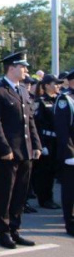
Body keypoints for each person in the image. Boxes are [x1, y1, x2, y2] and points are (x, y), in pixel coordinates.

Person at [0, 51, 42, 249]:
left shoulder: (23, 91)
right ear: (12, 68)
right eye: (23, 66)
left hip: (25, 150)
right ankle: (3, 232)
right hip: (9, 152)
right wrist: (4, 148)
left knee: (20, 192)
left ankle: (15, 230)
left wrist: (36, 144)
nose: (26, 70)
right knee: (5, 193)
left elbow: (30, 121)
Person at [32, 74, 63, 210]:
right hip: (46, 140)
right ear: (46, 85)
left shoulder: (59, 100)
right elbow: (37, 124)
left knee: (53, 170)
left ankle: (49, 197)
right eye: (54, 84)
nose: (57, 86)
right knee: (45, 172)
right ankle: (44, 199)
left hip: (57, 140)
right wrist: (41, 144)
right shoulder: (41, 101)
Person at [53, 83, 74, 237]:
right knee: (70, 190)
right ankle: (70, 223)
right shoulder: (65, 99)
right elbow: (62, 129)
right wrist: (69, 153)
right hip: (71, 153)